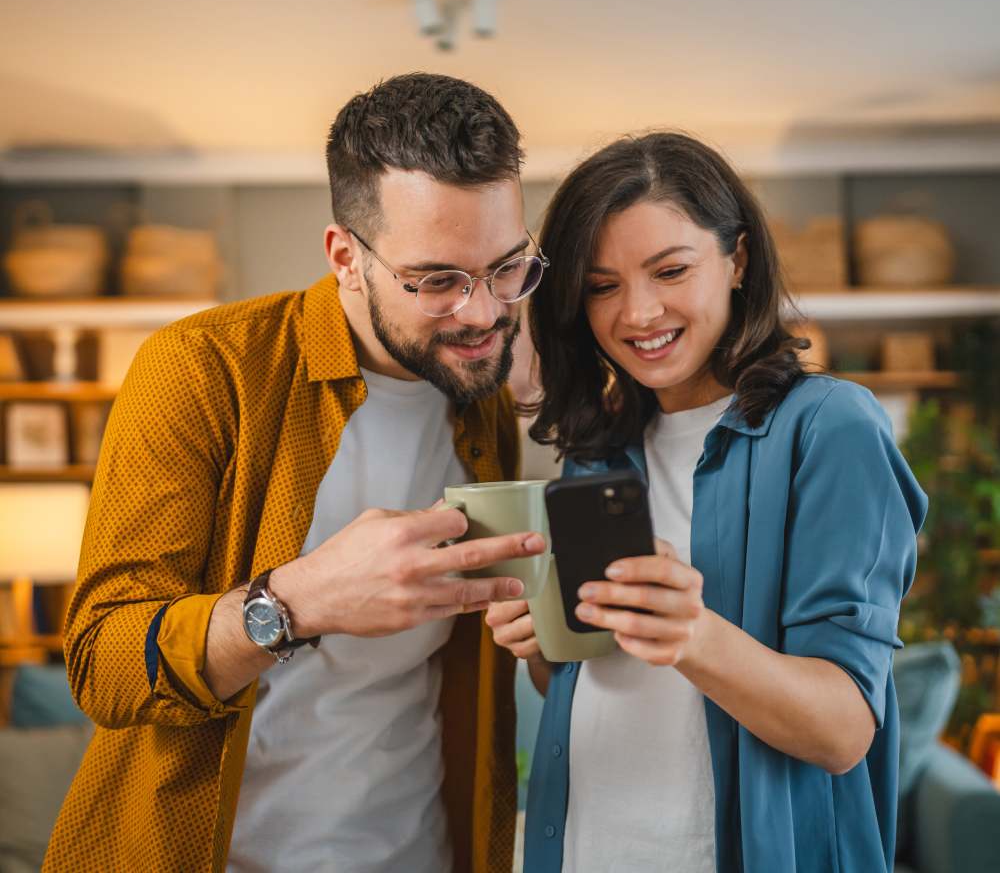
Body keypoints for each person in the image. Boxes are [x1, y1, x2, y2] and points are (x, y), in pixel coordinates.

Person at [45, 73, 551, 873]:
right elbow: (101, 663)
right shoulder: (202, 369)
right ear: (346, 258)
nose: (483, 312)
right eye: (438, 281)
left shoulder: (478, 393)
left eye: (506, 267)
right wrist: (296, 602)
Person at [486, 132, 925, 872]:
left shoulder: (829, 428)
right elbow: (593, 680)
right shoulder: (597, 449)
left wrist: (694, 635)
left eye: (670, 270)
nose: (638, 313)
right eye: (602, 286)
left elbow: (845, 728)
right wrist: (542, 641)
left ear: (738, 259)